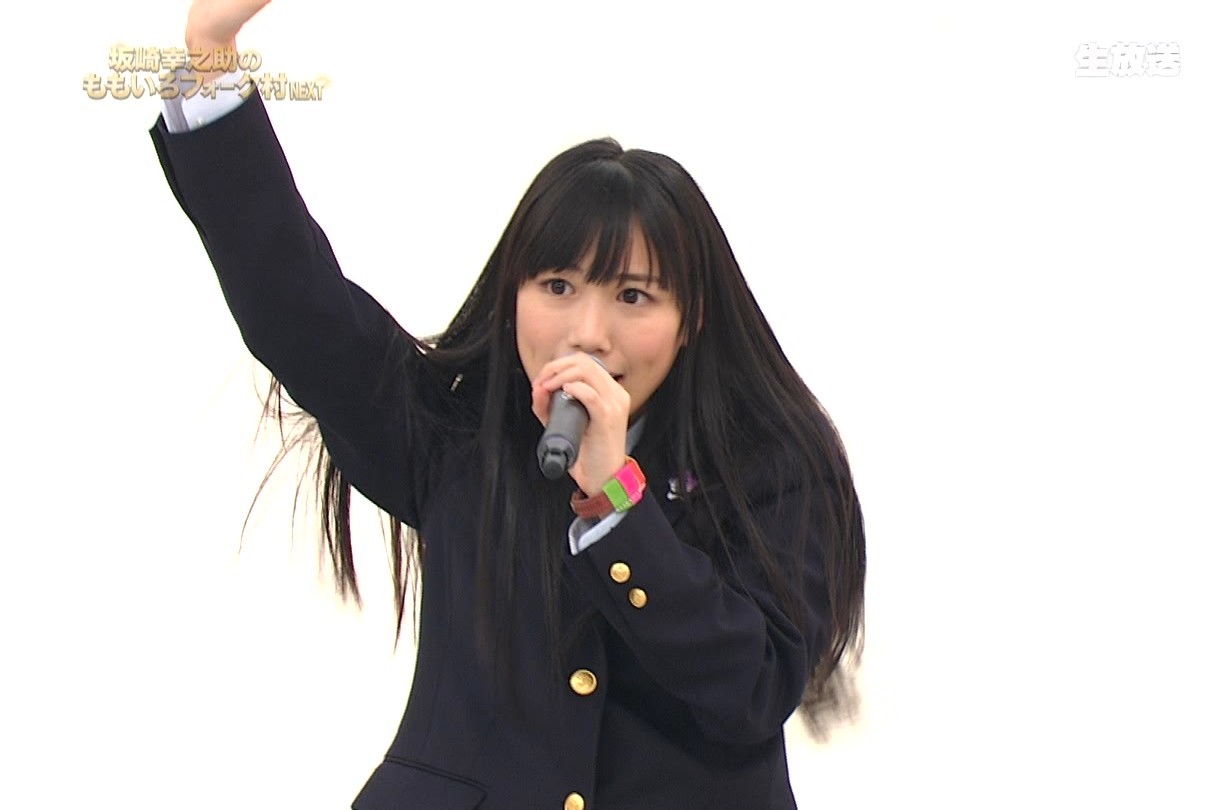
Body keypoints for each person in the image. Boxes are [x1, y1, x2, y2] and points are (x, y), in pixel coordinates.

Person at [154, 2, 866, 808]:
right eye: (557, 286)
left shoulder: (776, 464)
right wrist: (210, 52)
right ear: (513, 293)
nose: (588, 331)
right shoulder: (455, 433)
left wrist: (618, 498)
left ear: (691, 317)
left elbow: (750, 689)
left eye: (633, 296)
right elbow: (297, 308)